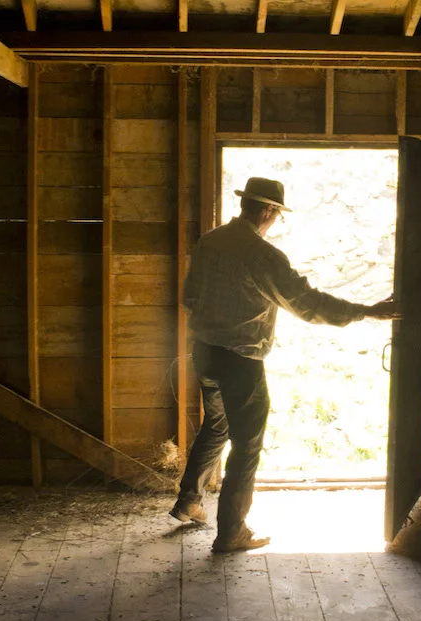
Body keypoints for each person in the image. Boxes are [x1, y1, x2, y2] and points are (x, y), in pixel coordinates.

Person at [170, 175, 397, 553]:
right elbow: (308, 304)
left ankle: (189, 501)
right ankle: (231, 533)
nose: (275, 220)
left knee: (217, 426)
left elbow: (189, 296)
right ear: (267, 211)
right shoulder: (262, 255)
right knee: (247, 445)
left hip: (205, 352)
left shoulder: (210, 241)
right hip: (240, 360)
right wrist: (367, 311)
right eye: (277, 214)